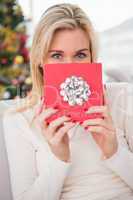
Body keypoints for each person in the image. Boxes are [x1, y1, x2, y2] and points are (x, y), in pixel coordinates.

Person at [3, 3, 133, 200]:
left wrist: (114, 151)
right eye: (57, 55)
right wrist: (58, 158)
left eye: (80, 55)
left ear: (92, 57)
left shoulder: (123, 97)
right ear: (40, 60)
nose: (70, 67)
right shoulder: (19, 119)